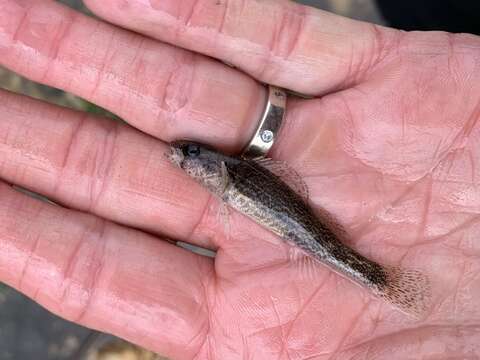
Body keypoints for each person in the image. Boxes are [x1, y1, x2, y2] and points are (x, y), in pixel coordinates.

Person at [0, 0, 478, 359]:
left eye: (190, 154)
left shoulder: (228, 178)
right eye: (187, 153)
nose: (182, 158)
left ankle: (378, 280)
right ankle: (378, 280)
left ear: (214, 168)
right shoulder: (225, 178)